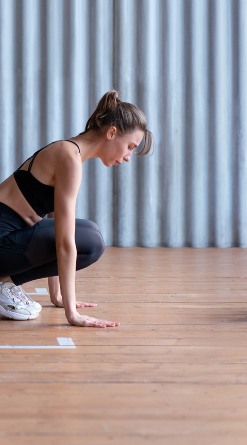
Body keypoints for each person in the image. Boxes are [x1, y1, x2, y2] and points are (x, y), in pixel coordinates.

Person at [0, 90, 153, 327]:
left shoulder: (69, 153)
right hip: (3, 237)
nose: (128, 157)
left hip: (10, 237)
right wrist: (72, 314)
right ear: (112, 132)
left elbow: (52, 227)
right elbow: (63, 243)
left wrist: (57, 296)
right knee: (89, 240)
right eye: (130, 146)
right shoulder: (68, 158)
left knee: (89, 232)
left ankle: (4, 281)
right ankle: (2, 284)